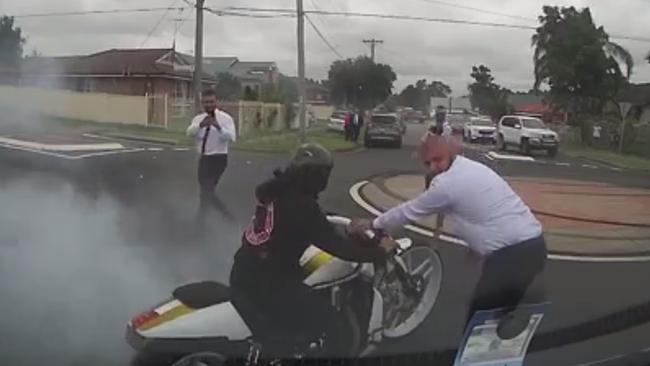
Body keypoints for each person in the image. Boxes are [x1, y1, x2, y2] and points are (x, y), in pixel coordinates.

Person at [349, 135, 547, 331]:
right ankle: (504, 338)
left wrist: (374, 224)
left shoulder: (447, 185)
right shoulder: (471, 167)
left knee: (479, 322)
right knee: (498, 318)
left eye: (438, 160)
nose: (434, 167)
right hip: (534, 246)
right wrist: (477, 245)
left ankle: (477, 356)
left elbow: (408, 211)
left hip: (512, 257)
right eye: (428, 163)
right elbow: (483, 209)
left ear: (450, 154)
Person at [229, 143, 397, 356]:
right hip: (268, 284)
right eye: (324, 174)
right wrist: (380, 251)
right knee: (333, 325)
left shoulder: (278, 189)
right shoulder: (301, 206)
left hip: (244, 269)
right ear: (314, 175)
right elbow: (339, 247)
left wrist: (340, 220)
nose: (326, 180)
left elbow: (312, 217)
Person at [186, 88, 237, 215]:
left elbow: (231, 137)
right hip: (204, 159)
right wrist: (200, 126)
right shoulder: (199, 119)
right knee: (206, 192)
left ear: (216, 102)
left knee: (207, 191)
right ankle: (225, 215)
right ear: (202, 103)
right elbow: (189, 132)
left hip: (219, 158)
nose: (208, 105)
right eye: (206, 102)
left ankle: (202, 222)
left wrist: (218, 127)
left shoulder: (225, 119)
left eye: (211, 102)